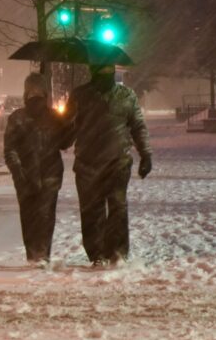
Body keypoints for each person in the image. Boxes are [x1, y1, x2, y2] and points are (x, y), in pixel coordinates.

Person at [63, 64, 152, 266]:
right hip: (87, 163)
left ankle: (117, 253)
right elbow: (67, 128)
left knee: (117, 208)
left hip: (117, 162)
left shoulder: (126, 96)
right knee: (91, 211)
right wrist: (64, 130)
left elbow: (138, 126)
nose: (104, 77)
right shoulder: (80, 96)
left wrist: (146, 154)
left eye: (107, 72)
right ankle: (97, 254)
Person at [3, 73, 69, 264]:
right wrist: (70, 125)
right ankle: (42, 255)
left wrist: (18, 172)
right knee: (45, 216)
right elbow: (64, 143)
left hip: (29, 176)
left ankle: (33, 255)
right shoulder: (53, 117)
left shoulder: (18, 118)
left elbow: (10, 150)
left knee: (29, 217)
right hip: (49, 174)